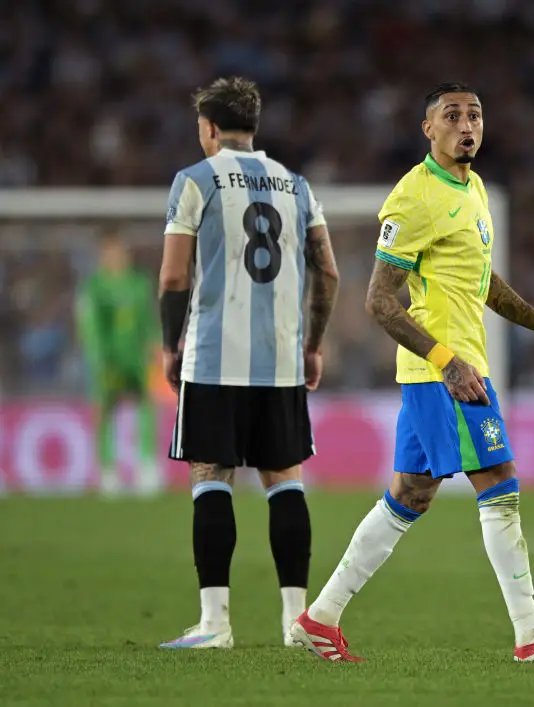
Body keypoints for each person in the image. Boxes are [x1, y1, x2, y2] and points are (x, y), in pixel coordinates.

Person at [289, 82, 534, 664]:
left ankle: (319, 618)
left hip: (446, 370)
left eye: (476, 114)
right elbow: (380, 301)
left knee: (409, 494)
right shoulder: (414, 197)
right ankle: (532, 636)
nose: (467, 124)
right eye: (452, 115)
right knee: (500, 483)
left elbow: (484, 285)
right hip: (446, 372)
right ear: (427, 129)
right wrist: (448, 363)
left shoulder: (473, 188)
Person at [156, 77, 340, 649]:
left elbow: (173, 275)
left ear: (209, 129)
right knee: (284, 481)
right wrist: (311, 344)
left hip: (214, 357)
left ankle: (215, 625)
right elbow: (327, 271)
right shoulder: (296, 185)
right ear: (252, 128)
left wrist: (169, 345)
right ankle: (297, 624)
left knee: (212, 477)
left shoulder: (195, 181)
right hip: (281, 360)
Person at [75, 227, 160, 496]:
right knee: (105, 410)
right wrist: (98, 357)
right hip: (107, 358)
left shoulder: (139, 282)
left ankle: (145, 466)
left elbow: (148, 319)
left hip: (135, 357)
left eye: (121, 251)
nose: (117, 257)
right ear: (102, 255)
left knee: (146, 405)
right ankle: (108, 470)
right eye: (111, 252)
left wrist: (155, 343)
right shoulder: (94, 287)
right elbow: (90, 325)